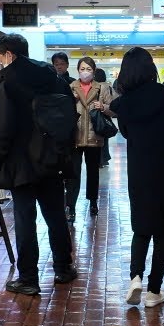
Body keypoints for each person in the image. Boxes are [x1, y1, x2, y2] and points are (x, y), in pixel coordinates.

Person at [0, 34, 77, 295]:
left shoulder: (9, 82)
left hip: (21, 161)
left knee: (25, 219)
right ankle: (63, 267)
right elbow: (69, 115)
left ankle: (28, 278)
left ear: (9, 55)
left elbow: (3, 126)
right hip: (51, 158)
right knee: (55, 214)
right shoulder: (53, 77)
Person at [109, 47, 164, 308]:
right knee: (162, 232)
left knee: (141, 227)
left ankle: (135, 277)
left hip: (139, 170)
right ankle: (153, 292)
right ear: (150, 69)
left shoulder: (124, 103)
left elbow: (125, 133)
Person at [65, 57, 113, 221]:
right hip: (75, 136)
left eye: (89, 69)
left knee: (93, 172)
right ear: (77, 70)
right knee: (73, 174)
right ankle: (70, 206)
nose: (85, 72)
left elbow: (113, 110)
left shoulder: (102, 88)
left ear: (94, 70)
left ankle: (93, 202)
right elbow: (63, 112)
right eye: (82, 69)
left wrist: (104, 107)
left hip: (94, 135)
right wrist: (72, 101)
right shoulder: (71, 87)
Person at [94, 67, 112, 167]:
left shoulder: (96, 86)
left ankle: (100, 160)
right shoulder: (108, 86)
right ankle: (104, 158)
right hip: (106, 114)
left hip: (97, 115)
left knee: (98, 139)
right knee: (105, 138)